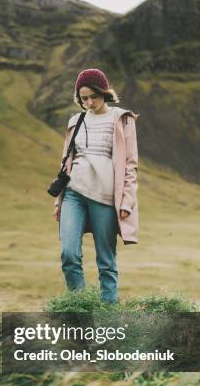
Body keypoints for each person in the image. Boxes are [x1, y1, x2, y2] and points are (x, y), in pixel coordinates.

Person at [53, 68, 139, 304]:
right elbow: (65, 162)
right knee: (69, 254)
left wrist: (127, 202)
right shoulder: (75, 121)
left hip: (105, 197)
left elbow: (130, 165)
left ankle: (108, 317)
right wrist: (57, 200)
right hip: (73, 194)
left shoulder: (122, 119)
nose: (89, 103)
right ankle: (81, 309)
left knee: (106, 261)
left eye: (93, 96)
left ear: (105, 92)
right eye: (84, 98)